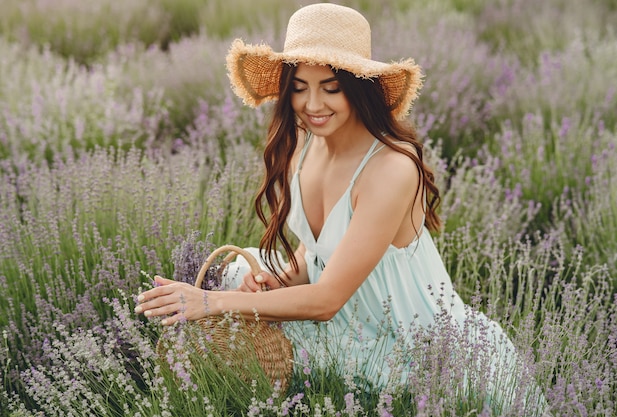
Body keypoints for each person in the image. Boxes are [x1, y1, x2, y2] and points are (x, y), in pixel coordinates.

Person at [135, 2, 545, 412]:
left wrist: (209, 303)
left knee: (225, 301)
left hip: (408, 340)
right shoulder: (304, 150)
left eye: (330, 87)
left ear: (359, 87)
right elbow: (316, 251)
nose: (313, 104)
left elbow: (327, 299)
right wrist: (280, 281)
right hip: (342, 312)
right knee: (243, 273)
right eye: (299, 87)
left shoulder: (391, 168)